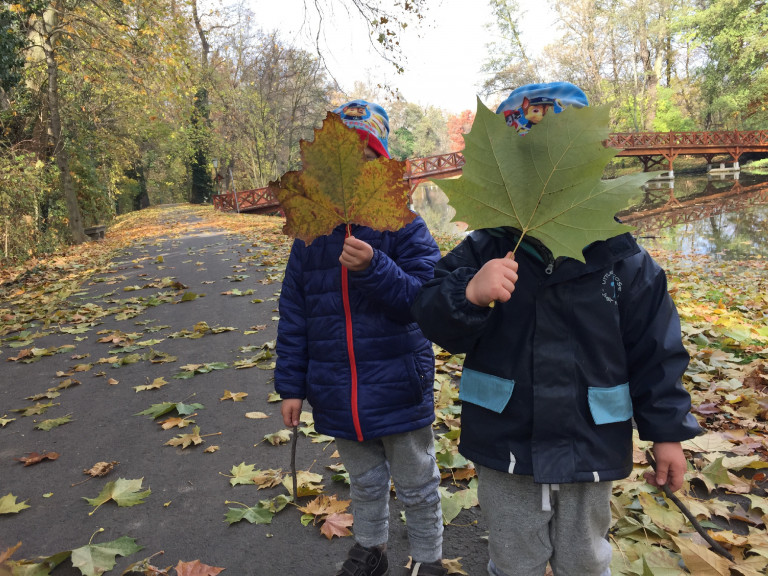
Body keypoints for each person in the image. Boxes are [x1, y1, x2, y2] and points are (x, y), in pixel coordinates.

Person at [410, 82, 702, 576]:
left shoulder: (624, 260)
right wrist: (468, 294)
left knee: (584, 557)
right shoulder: (485, 249)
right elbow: (433, 314)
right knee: (514, 556)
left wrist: (666, 433)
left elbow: (656, 352)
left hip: (590, 436)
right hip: (505, 437)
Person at [275, 99, 448, 576]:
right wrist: (291, 385)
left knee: (417, 480)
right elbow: (294, 314)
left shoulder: (404, 225)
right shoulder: (310, 236)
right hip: (335, 388)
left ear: (384, 167)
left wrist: (376, 267)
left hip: (398, 381)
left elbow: (425, 298)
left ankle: (429, 557)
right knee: (365, 480)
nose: (354, 173)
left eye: (367, 160)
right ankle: (371, 547)